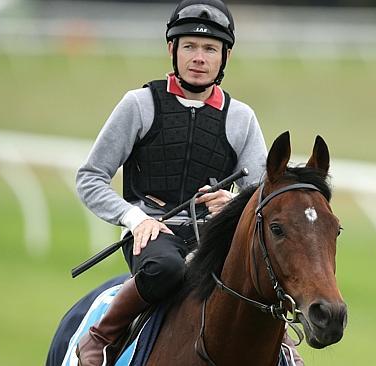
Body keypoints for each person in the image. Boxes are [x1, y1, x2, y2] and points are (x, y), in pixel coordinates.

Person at [74, 1, 303, 365]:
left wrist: (233, 201)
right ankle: (100, 337)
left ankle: (285, 347)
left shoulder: (241, 118)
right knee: (169, 269)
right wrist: (135, 219)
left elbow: (262, 193)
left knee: (260, 272)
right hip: (152, 237)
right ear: (172, 50)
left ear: (224, 56)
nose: (199, 57)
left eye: (210, 48)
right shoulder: (139, 105)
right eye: (190, 47)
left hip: (215, 239)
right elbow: (90, 178)